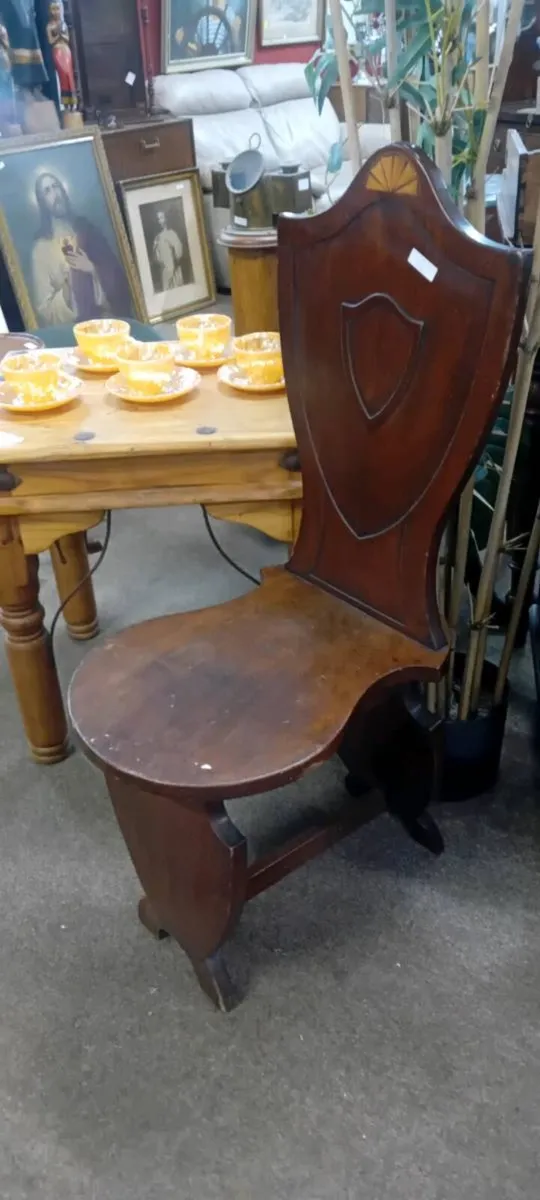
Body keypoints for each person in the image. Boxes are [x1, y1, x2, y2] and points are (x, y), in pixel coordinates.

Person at [30, 171, 132, 325]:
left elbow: (118, 278)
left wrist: (92, 269)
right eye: (47, 191)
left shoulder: (87, 229)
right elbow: (45, 310)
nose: (55, 194)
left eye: (55, 186)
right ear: (42, 201)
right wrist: (67, 290)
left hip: (108, 322)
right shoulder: (40, 250)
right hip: (75, 331)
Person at [152, 209, 184, 291]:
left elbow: (179, 252)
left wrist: (173, 263)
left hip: (174, 270)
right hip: (164, 271)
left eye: (162, 218)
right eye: (158, 219)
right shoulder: (157, 237)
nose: (160, 221)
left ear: (166, 218)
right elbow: (156, 257)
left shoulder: (172, 233)